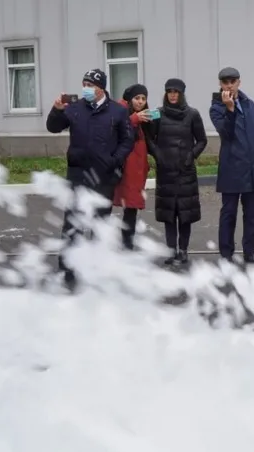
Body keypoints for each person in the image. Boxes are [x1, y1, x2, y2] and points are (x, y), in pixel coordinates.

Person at [46, 68, 134, 291]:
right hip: (78, 174)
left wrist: (115, 161)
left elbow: (127, 140)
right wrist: (56, 111)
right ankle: (68, 268)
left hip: (104, 177)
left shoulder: (117, 111)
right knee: (73, 223)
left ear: (101, 88)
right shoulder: (75, 109)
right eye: (84, 84)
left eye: (91, 85)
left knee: (99, 224)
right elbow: (53, 127)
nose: (86, 88)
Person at [209, 67, 254, 264]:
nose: (229, 85)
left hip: (252, 168)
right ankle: (226, 253)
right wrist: (229, 110)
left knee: (252, 214)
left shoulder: (249, 104)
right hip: (232, 169)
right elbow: (225, 134)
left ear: (239, 82)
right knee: (229, 213)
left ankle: (250, 251)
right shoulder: (216, 108)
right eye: (225, 82)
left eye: (233, 81)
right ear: (220, 84)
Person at [152, 78, 208, 265]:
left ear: (182, 94)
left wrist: (191, 155)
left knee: (185, 213)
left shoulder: (192, 114)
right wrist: (158, 154)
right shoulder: (157, 114)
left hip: (185, 171)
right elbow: (148, 138)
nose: (173, 95)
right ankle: (170, 250)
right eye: (170, 91)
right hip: (165, 171)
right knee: (169, 214)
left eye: (176, 92)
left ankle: (183, 250)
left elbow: (201, 140)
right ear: (166, 94)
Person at [114, 83, 153, 250]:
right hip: (124, 168)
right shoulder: (120, 112)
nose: (141, 102)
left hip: (136, 169)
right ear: (129, 99)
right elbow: (115, 129)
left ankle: (127, 242)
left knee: (131, 207)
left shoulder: (141, 115)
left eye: (143, 98)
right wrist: (135, 120)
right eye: (137, 98)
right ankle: (121, 242)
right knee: (119, 204)